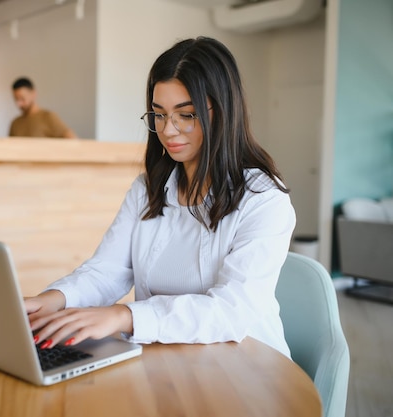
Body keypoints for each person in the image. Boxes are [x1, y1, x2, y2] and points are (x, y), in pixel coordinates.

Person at [24, 37, 296, 358]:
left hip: (247, 364)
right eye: (159, 114)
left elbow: (231, 311)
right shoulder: (147, 188)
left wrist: (125, 315)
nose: (168, 130)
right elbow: (107, 270)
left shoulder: (263, 199)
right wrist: (52, 299)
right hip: (166, 359)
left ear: (224, 111)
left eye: (187, 114)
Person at [9, 77, 76, 138]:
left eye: (22, 98)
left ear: (33, 94)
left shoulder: (48, 117)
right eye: (16, 99)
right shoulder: (15, 123)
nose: (18, 104)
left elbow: (72, 141)